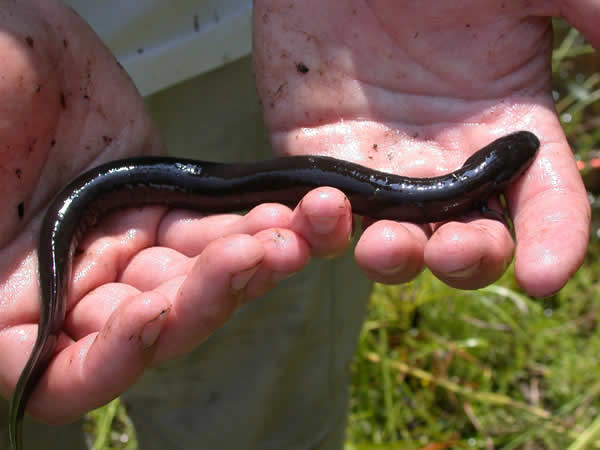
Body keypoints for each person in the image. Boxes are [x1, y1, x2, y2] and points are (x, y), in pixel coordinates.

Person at [0, 0, 595, 448]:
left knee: (250, 384)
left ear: (483, 175)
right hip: (56, 90)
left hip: (249, 40)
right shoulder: (458, 190)